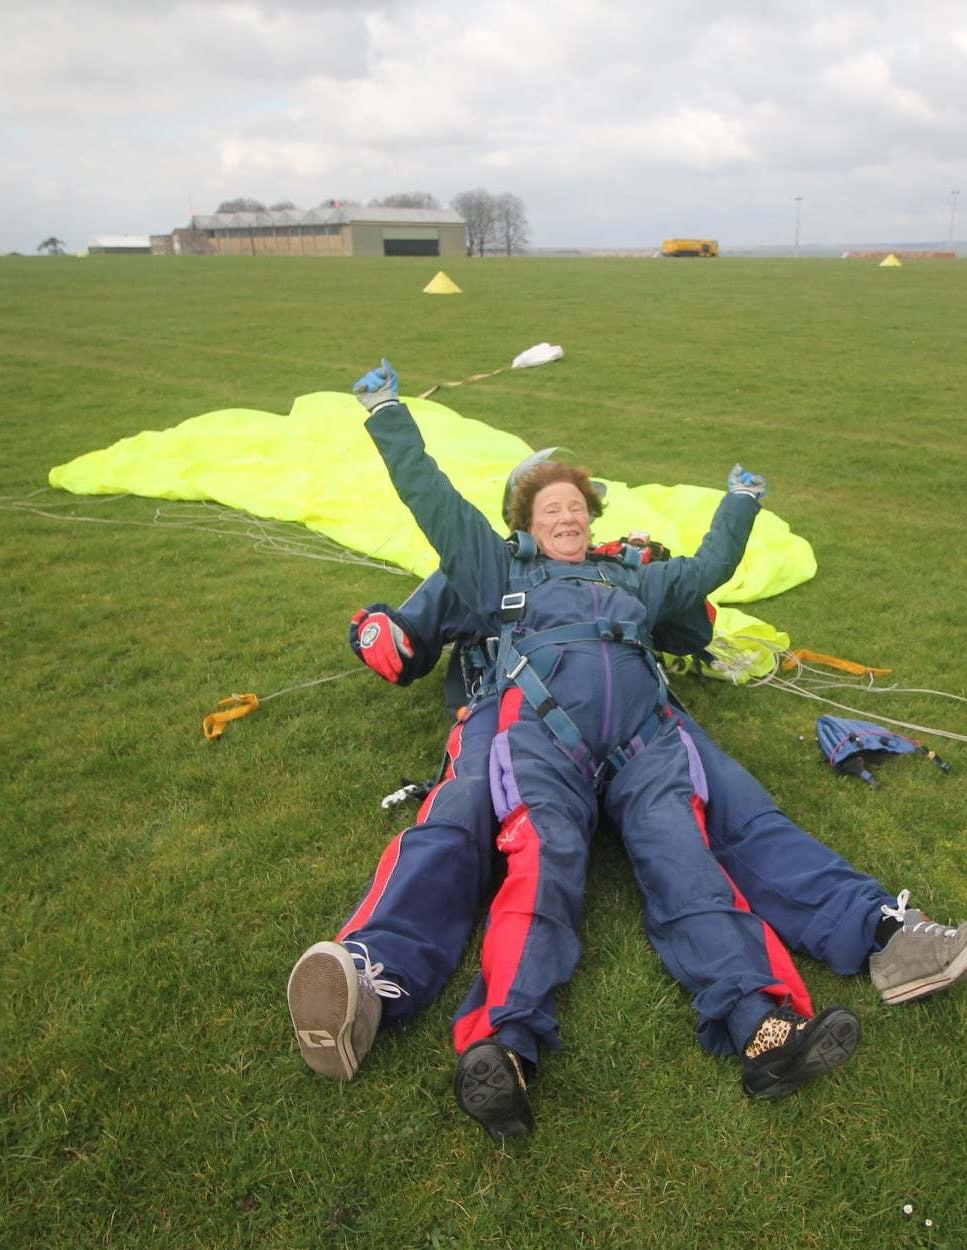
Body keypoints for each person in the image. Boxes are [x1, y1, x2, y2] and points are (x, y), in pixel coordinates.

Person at [348, 358, 860, 1139]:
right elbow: (434, 501)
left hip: (644, 743)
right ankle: (502, 1045)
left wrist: (740, 504)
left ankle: (762, 1027)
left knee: (685, 860)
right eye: (550, 508)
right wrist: (388, 414)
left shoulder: (632, 578)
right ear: (525, 523)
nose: (566, 516)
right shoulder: (495, 568)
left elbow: (706, 572)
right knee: (543, 863)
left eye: (575, 507)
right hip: (541, 738)